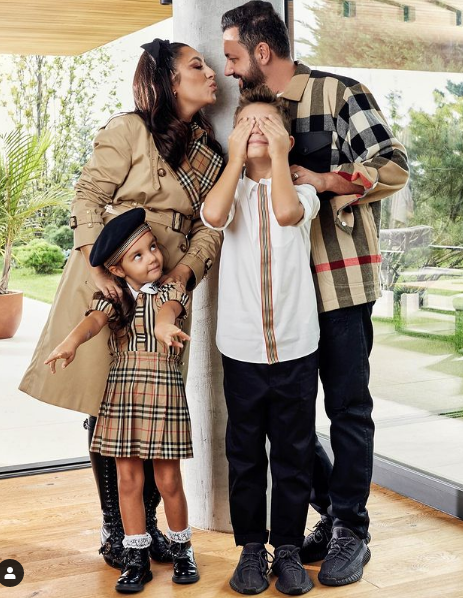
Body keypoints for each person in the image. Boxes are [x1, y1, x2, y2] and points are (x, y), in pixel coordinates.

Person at [221, 1, 409, 588]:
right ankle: (328, 511)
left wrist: (325, 180)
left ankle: (352, 528)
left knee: (348, 409)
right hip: (278, 304)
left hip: (338, 280)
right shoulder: (251, 118)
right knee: (291, 422)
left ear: (261, 51)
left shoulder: (339, 93)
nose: (227, 69)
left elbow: (393, 164)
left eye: (232, 56)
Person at [20, 39, 223, 569]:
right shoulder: (129, 129)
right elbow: (88, 195)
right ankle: (117, 529)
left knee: (153, 406)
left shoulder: (209, 151)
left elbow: (210, 227)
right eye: (196, 65)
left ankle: (146, 529)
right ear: (168, 81)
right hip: (107, 276)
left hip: (168, 284)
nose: (211, 72)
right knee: (107, 403)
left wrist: (183, 274)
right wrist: (98, 268)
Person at [202, 86, 320, 596]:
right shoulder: (230, 190)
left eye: (266, 123)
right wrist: (235, 160)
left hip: (296, 346)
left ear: (286, 140)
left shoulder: (303, 193)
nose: (254, 129)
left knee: (294, 452)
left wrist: (278, 159)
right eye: (244, 123)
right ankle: (252, 548)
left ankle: (288, 548)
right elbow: (213, 217)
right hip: (243, 348)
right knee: (245, 453)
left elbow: (287, 214)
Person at [45, 208, 199, 593]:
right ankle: (136, 558)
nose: (153, 258)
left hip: (162, 394)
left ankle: (183, 551)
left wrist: (165, 324)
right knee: (127, 480)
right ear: (117, 270)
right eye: (139, 255)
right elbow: (93, 322)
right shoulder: (113, 299)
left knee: (168, 479)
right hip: (123, 394)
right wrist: (70, 342)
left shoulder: (171, 290)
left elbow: (170, 311)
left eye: (153, 248)